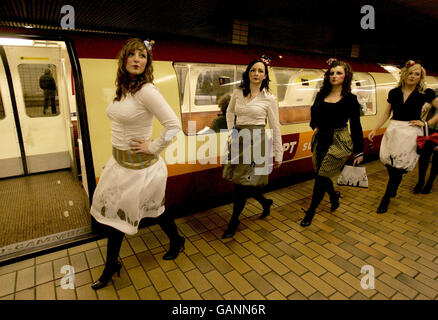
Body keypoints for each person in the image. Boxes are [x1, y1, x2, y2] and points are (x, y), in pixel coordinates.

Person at [89, 38, 184, 290]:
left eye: (142, 56)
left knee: (135, 215)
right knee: (138, 213)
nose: (137, 59)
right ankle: (175, 240)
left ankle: (112, 266)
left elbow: (174, 125)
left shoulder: (147, 91)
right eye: (132, 55)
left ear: (147, 62)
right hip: (120, 165)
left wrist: (152, 146)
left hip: (141, 168)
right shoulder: (123, 87)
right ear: (124, 59)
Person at [222, 58, 283, 239]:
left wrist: (278, 154)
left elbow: (275, 126)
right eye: (253, 70)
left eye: (260, 71)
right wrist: (231, 130)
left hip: (257, 142)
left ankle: (234, 221)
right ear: (248, 73)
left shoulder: (269, 98)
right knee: (242, 180)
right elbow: (230, 112)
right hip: (239, 139)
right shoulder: (238, 93)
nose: (256, 74)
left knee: (241, 184)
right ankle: (265, 202)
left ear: (265, 76)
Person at [368, 60, 438, 213]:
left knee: (398, 167)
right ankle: (395, 185)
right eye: (410, 73)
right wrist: (375, 129)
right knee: (390, 162)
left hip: (411, 132)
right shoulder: (394, 92)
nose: (413, 76)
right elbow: (387, 113)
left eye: (417, 74)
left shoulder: (425, 93)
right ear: (405, 74)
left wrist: (425, 123)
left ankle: (386, 197)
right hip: (394, 130)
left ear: (421, 77)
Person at [301, 59, 364, 227]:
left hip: (338, 140)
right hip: (321, 138)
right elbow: (313, 113)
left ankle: (311, 212)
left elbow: (356, 125)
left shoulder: (351, 99)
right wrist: (315, 126)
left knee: (321, 177)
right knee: (321, 174)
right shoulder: (322, 95)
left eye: (339, 73)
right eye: (332, 73)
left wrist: (359, 151)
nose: (334, 76)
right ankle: (334, 197)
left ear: (346, 76)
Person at [414, 96, 438, 194]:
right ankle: (421, 181)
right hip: (428, 130)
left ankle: (430, 182)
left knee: (437, 160)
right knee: (424, 158)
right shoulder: (433, 97)